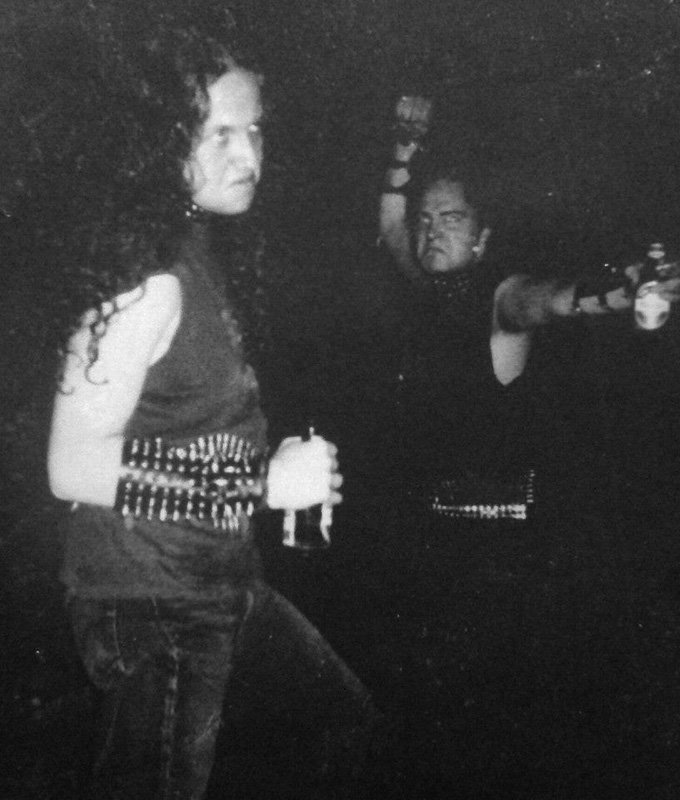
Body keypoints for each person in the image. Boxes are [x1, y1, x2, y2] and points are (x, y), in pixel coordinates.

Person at [14, 22, 378, 800]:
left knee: (337, 723)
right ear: (163, 142)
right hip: (153, 598)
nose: (249, 156)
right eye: (220, 134)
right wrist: (261, 483)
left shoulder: (195, 250)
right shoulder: (149, 280)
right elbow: (71, 467)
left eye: (254, 131)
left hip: (220, 580)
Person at [378, 94, 680, 514]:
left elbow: (551, 300)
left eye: (451, 220)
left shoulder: (502, 296)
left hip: (493, 526)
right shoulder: (427, 285)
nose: (433, 232)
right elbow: (392, 223)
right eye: (426, 221)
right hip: (421, 518)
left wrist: (625, 294)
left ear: (481, 239)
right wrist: (404, 147)